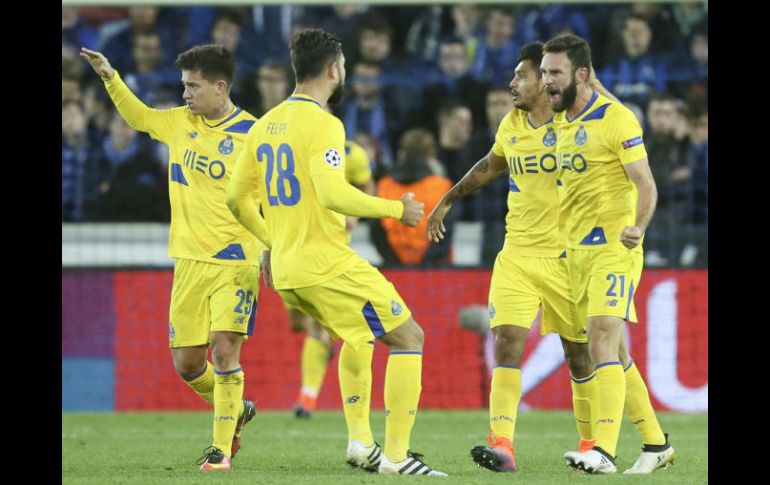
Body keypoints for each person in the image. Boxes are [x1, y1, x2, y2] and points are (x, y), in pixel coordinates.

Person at [226, 28, 446, 476]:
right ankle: (398, 458)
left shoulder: (265, 123)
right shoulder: (325, 124)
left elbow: (236, 199)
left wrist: (271, 242)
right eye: (343, 65)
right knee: (409, 338)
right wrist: (395, 209)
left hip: (287, 268)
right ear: (332, 69)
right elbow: (331, 192)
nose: (343, 71)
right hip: (326, 261)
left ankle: (362, 444)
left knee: (360, 336)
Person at [81, 44, 261, 472]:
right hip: (188, 260)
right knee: (187, 363)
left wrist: (272, 246)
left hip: (237, 260)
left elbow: (271, 198)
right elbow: (139, 116)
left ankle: (220, 452)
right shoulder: (180, 123)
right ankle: (235, 408)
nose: (185, 94)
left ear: (220, 88)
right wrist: (110, 76)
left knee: (223, 351)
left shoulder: (254, 135)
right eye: (184, 86)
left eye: (193, 86)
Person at [428, 41, 598, 474]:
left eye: (520, 75)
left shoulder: (574, 125)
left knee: (579, 354)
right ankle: (502, 445)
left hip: (565, 257)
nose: (512, 83)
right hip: (517, 254)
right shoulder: (512, 123)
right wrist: (447, 199)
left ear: (544, 80)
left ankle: (592, 443)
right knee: (506, 341)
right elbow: (490, 164)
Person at [541, 34, 675, 474]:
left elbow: (646, 184)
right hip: (574, 253)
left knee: (600, 336)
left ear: (580, 75)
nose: (546, 81)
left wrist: (638, 226)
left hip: (615, 248)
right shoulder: (560, 123)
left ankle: (603, 450)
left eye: (554, 72)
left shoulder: (618, 119)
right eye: (543, 72)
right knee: (612, 351)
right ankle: (656, 445)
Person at [291, 138, 376, 419]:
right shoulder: (287, 148)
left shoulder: (350, 153)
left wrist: (355, 214)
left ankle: (307, 398)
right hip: (290, 247)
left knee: (319, 326)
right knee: (299, 325)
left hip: (330, 250)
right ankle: (318, 362)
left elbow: (367, 187)